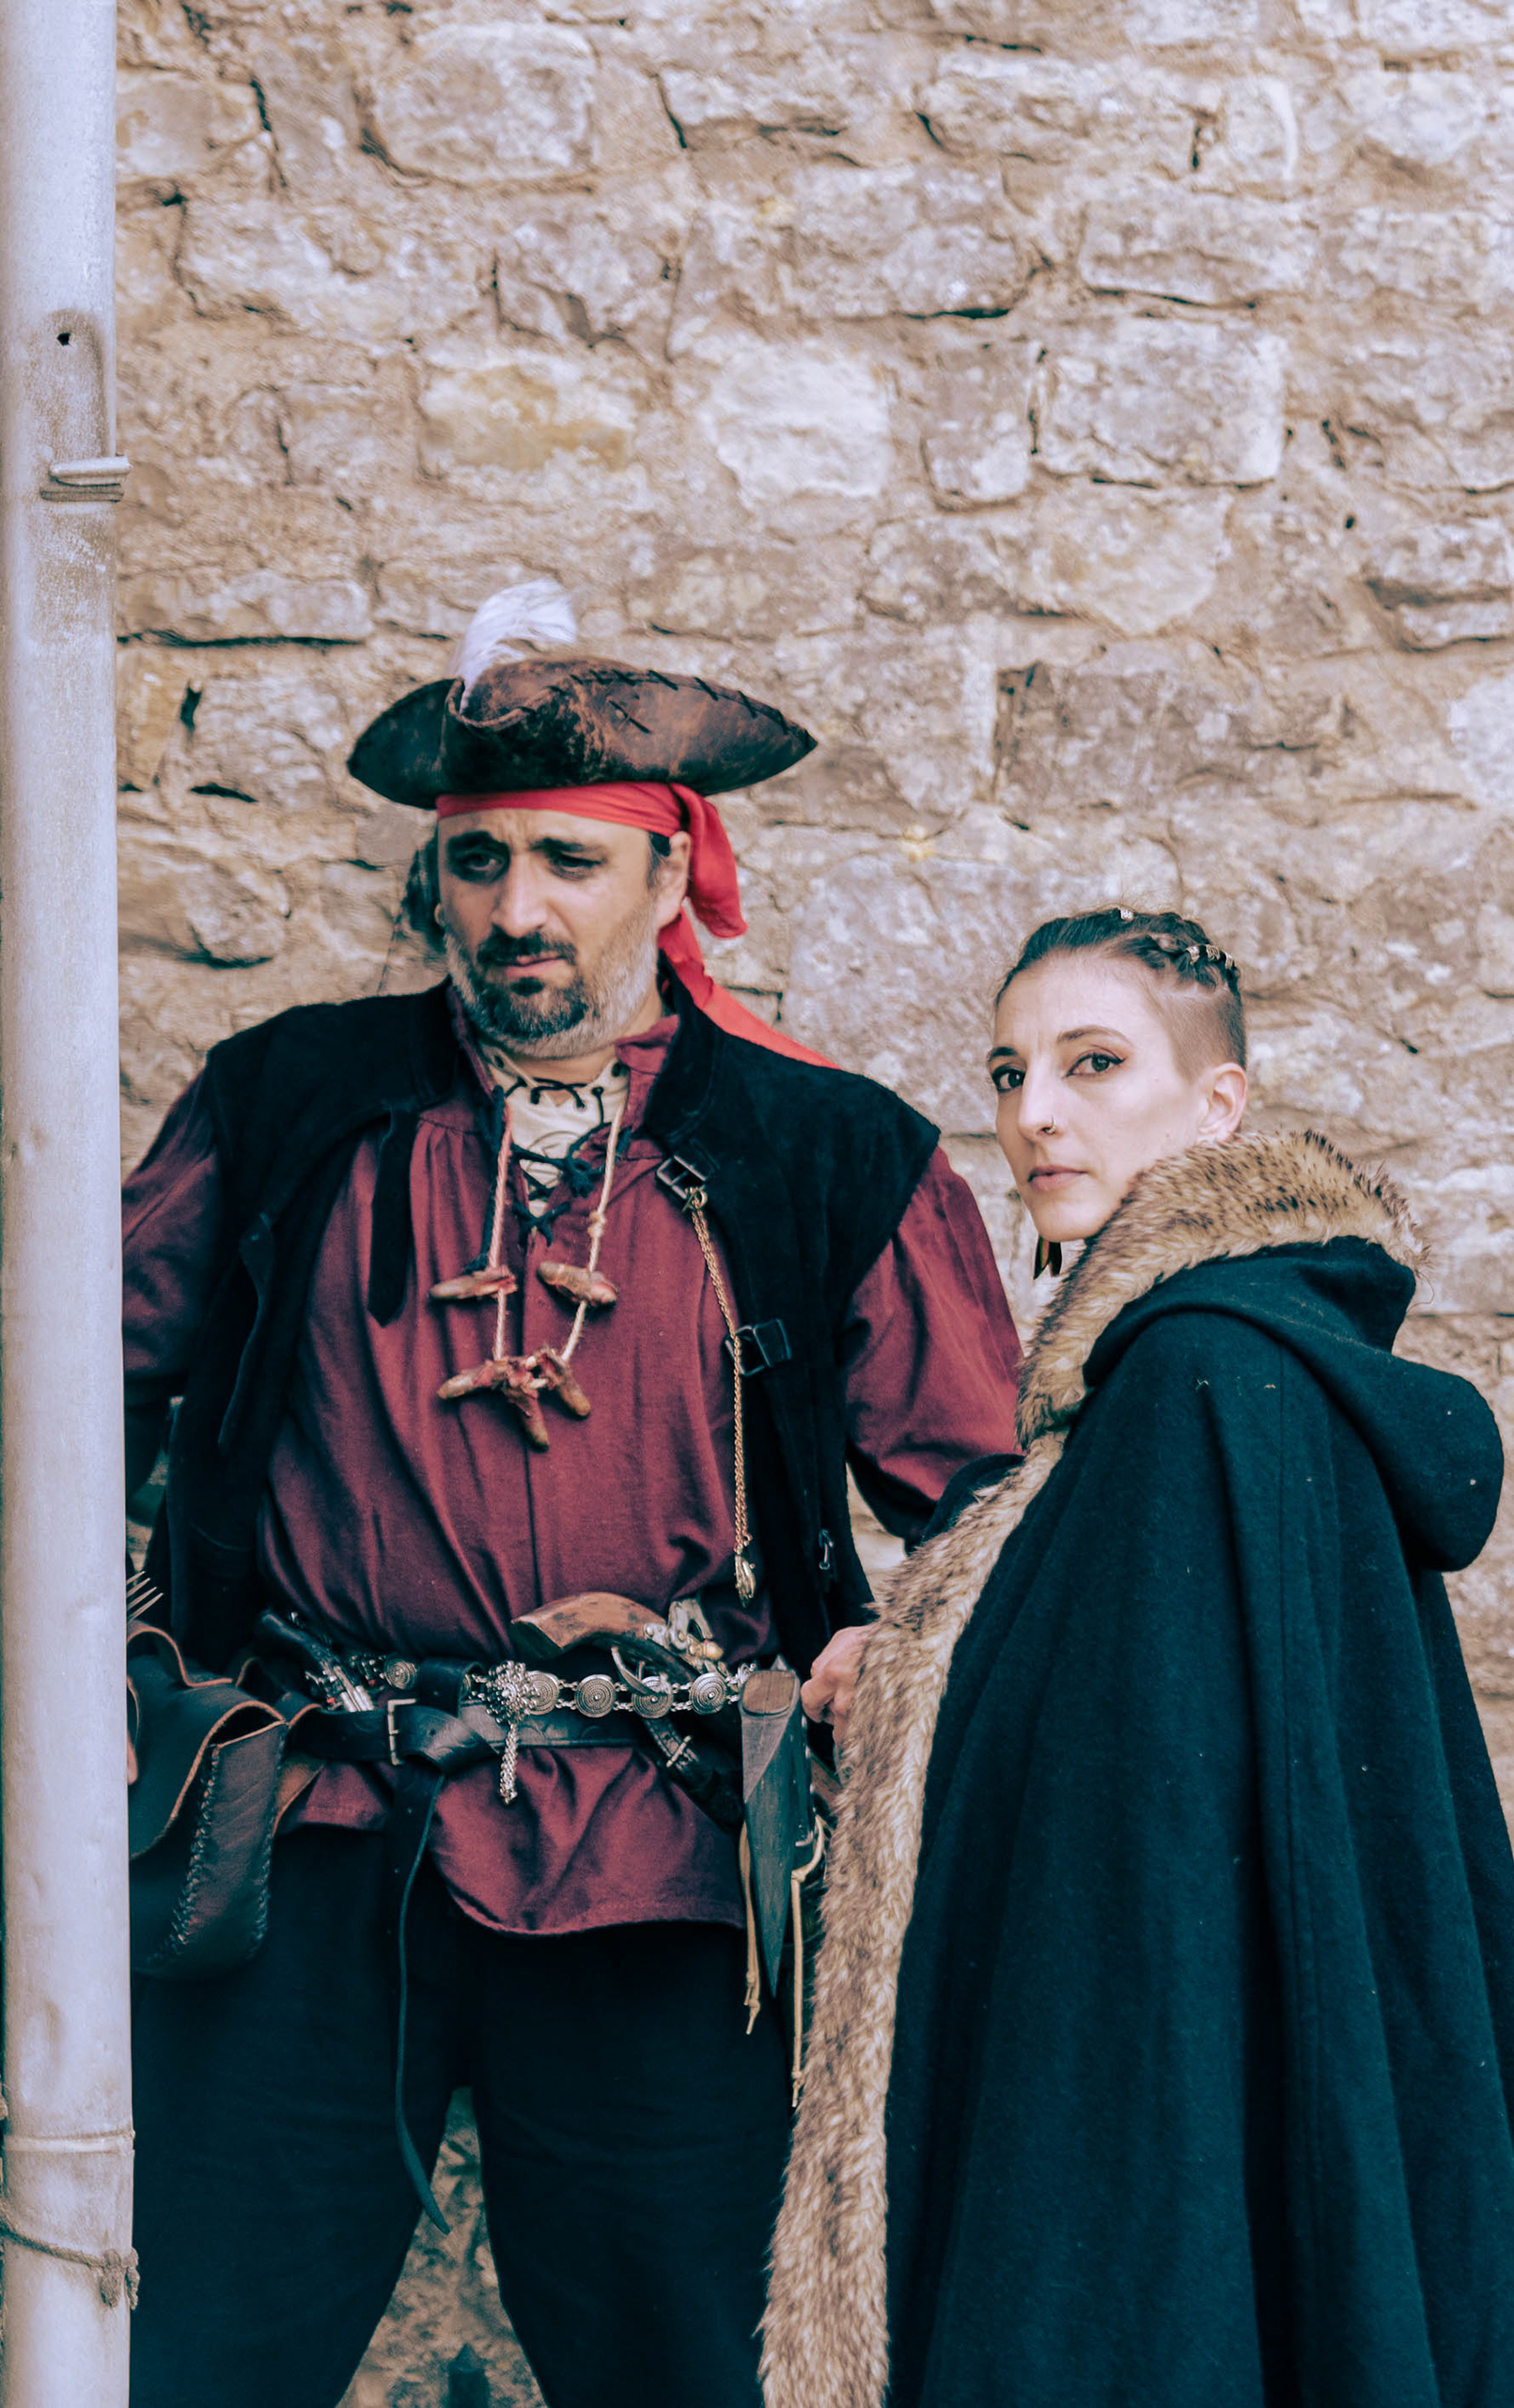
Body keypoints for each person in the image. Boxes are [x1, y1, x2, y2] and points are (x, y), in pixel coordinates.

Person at [119, 583, 1024, 2408]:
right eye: (480, 862)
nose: (517, 909)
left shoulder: (828, 1150)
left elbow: (983, 1513)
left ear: (672, 874)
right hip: (311, 1835)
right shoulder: (285, 1101)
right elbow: (66, 1393)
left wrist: (903, 1684)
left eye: (569, 860)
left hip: (669, 1862)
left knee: (692, 2364)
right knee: (195, 2348)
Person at [765, 909, 1514, 2408]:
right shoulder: (1192, 1364)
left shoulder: (1196, 1373)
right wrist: (903, 1661)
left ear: (1219, 1104)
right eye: (1011, 1073)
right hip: (1176, 2042)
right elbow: (1112, 1717)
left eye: (1094, 1064)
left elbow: (1134, 1818)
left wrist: (903, 1683)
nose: (1036, 1113)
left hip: (1147, 2083)